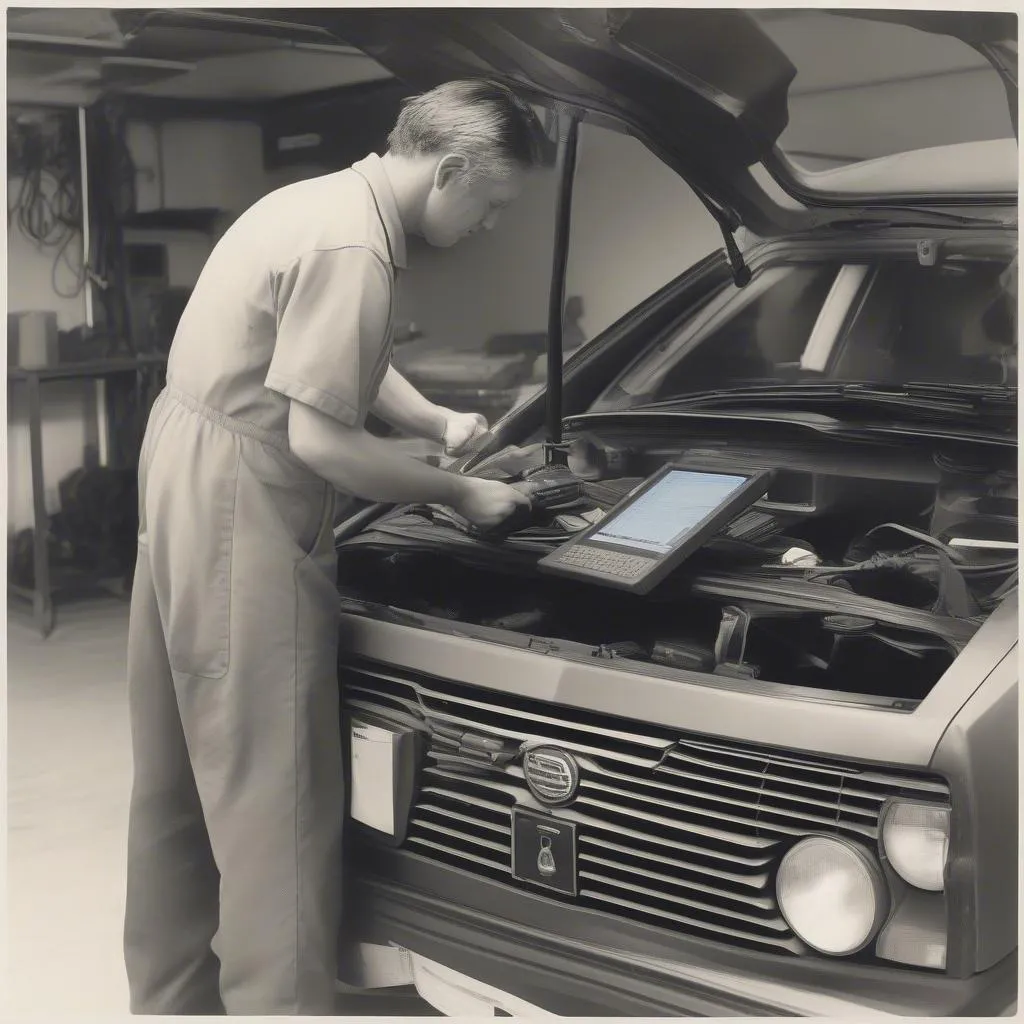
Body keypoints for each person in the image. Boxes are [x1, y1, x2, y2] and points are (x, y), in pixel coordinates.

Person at [123, 79, 547, 1015]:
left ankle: (171, 1001)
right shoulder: (357, 245)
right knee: (277, 793)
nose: (488, 224)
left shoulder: (318, 203)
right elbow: (321, 442)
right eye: (494, 203)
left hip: (184, 470)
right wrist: (460, 490)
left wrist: (436, 419)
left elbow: (327, 356)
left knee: (178, 783)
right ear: (450, 170)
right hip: (243, 498)